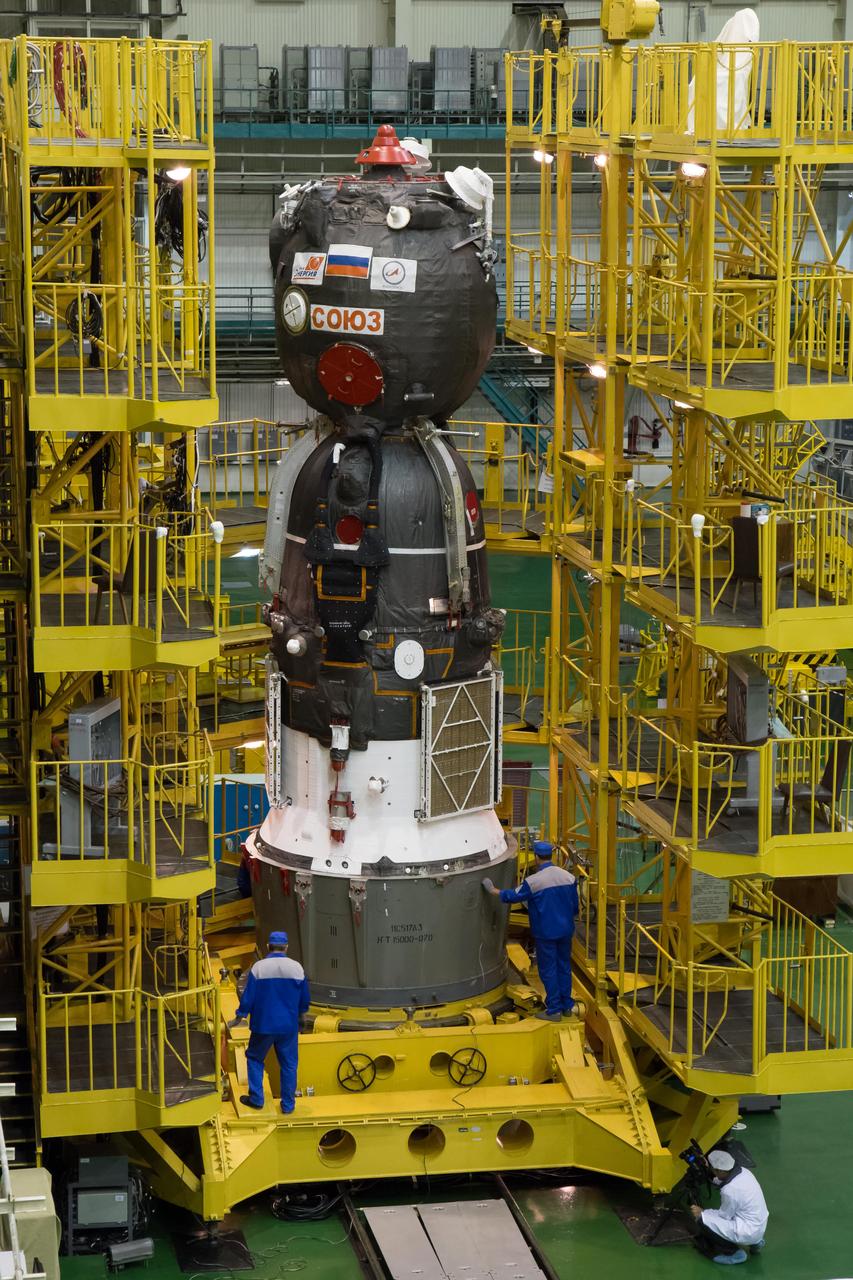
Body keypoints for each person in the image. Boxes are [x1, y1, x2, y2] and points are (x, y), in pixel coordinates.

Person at [482, 840, 578, 1021]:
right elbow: (575, 906)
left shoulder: (533, 882)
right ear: (551, 855)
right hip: (566, 931)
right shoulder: (568, 877)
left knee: (548, 969)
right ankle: (567, 1007)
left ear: (536, 857)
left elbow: (513, 896)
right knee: (564, 967)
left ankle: (554, 1010)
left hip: (546, 933)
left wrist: (492, 890)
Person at [227, 930, 310, 1114]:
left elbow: (249, 997)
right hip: (288, 1026)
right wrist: (302, 1016)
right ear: (286, 947)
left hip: (263, 1025)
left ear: (267, 946)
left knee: (255, 1058)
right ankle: (288, 1106)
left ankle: (256, 1099)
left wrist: (240, 1016)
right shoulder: (297, 968)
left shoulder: (259, 968)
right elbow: (304, 997)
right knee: (289, 1065)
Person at [689, 1149, 769, 1266]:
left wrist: (703, 1213)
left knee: (703, 1221)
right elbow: (722, 1180)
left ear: (719, 1170)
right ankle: (756, 1243)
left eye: (712, 1169)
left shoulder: (730, 1191)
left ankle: (734, 1253)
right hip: (759, 1226)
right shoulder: (744, 1172)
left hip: (747, 1231)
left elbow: (724, 1216)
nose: (711, 1170)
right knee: (740, 1213)